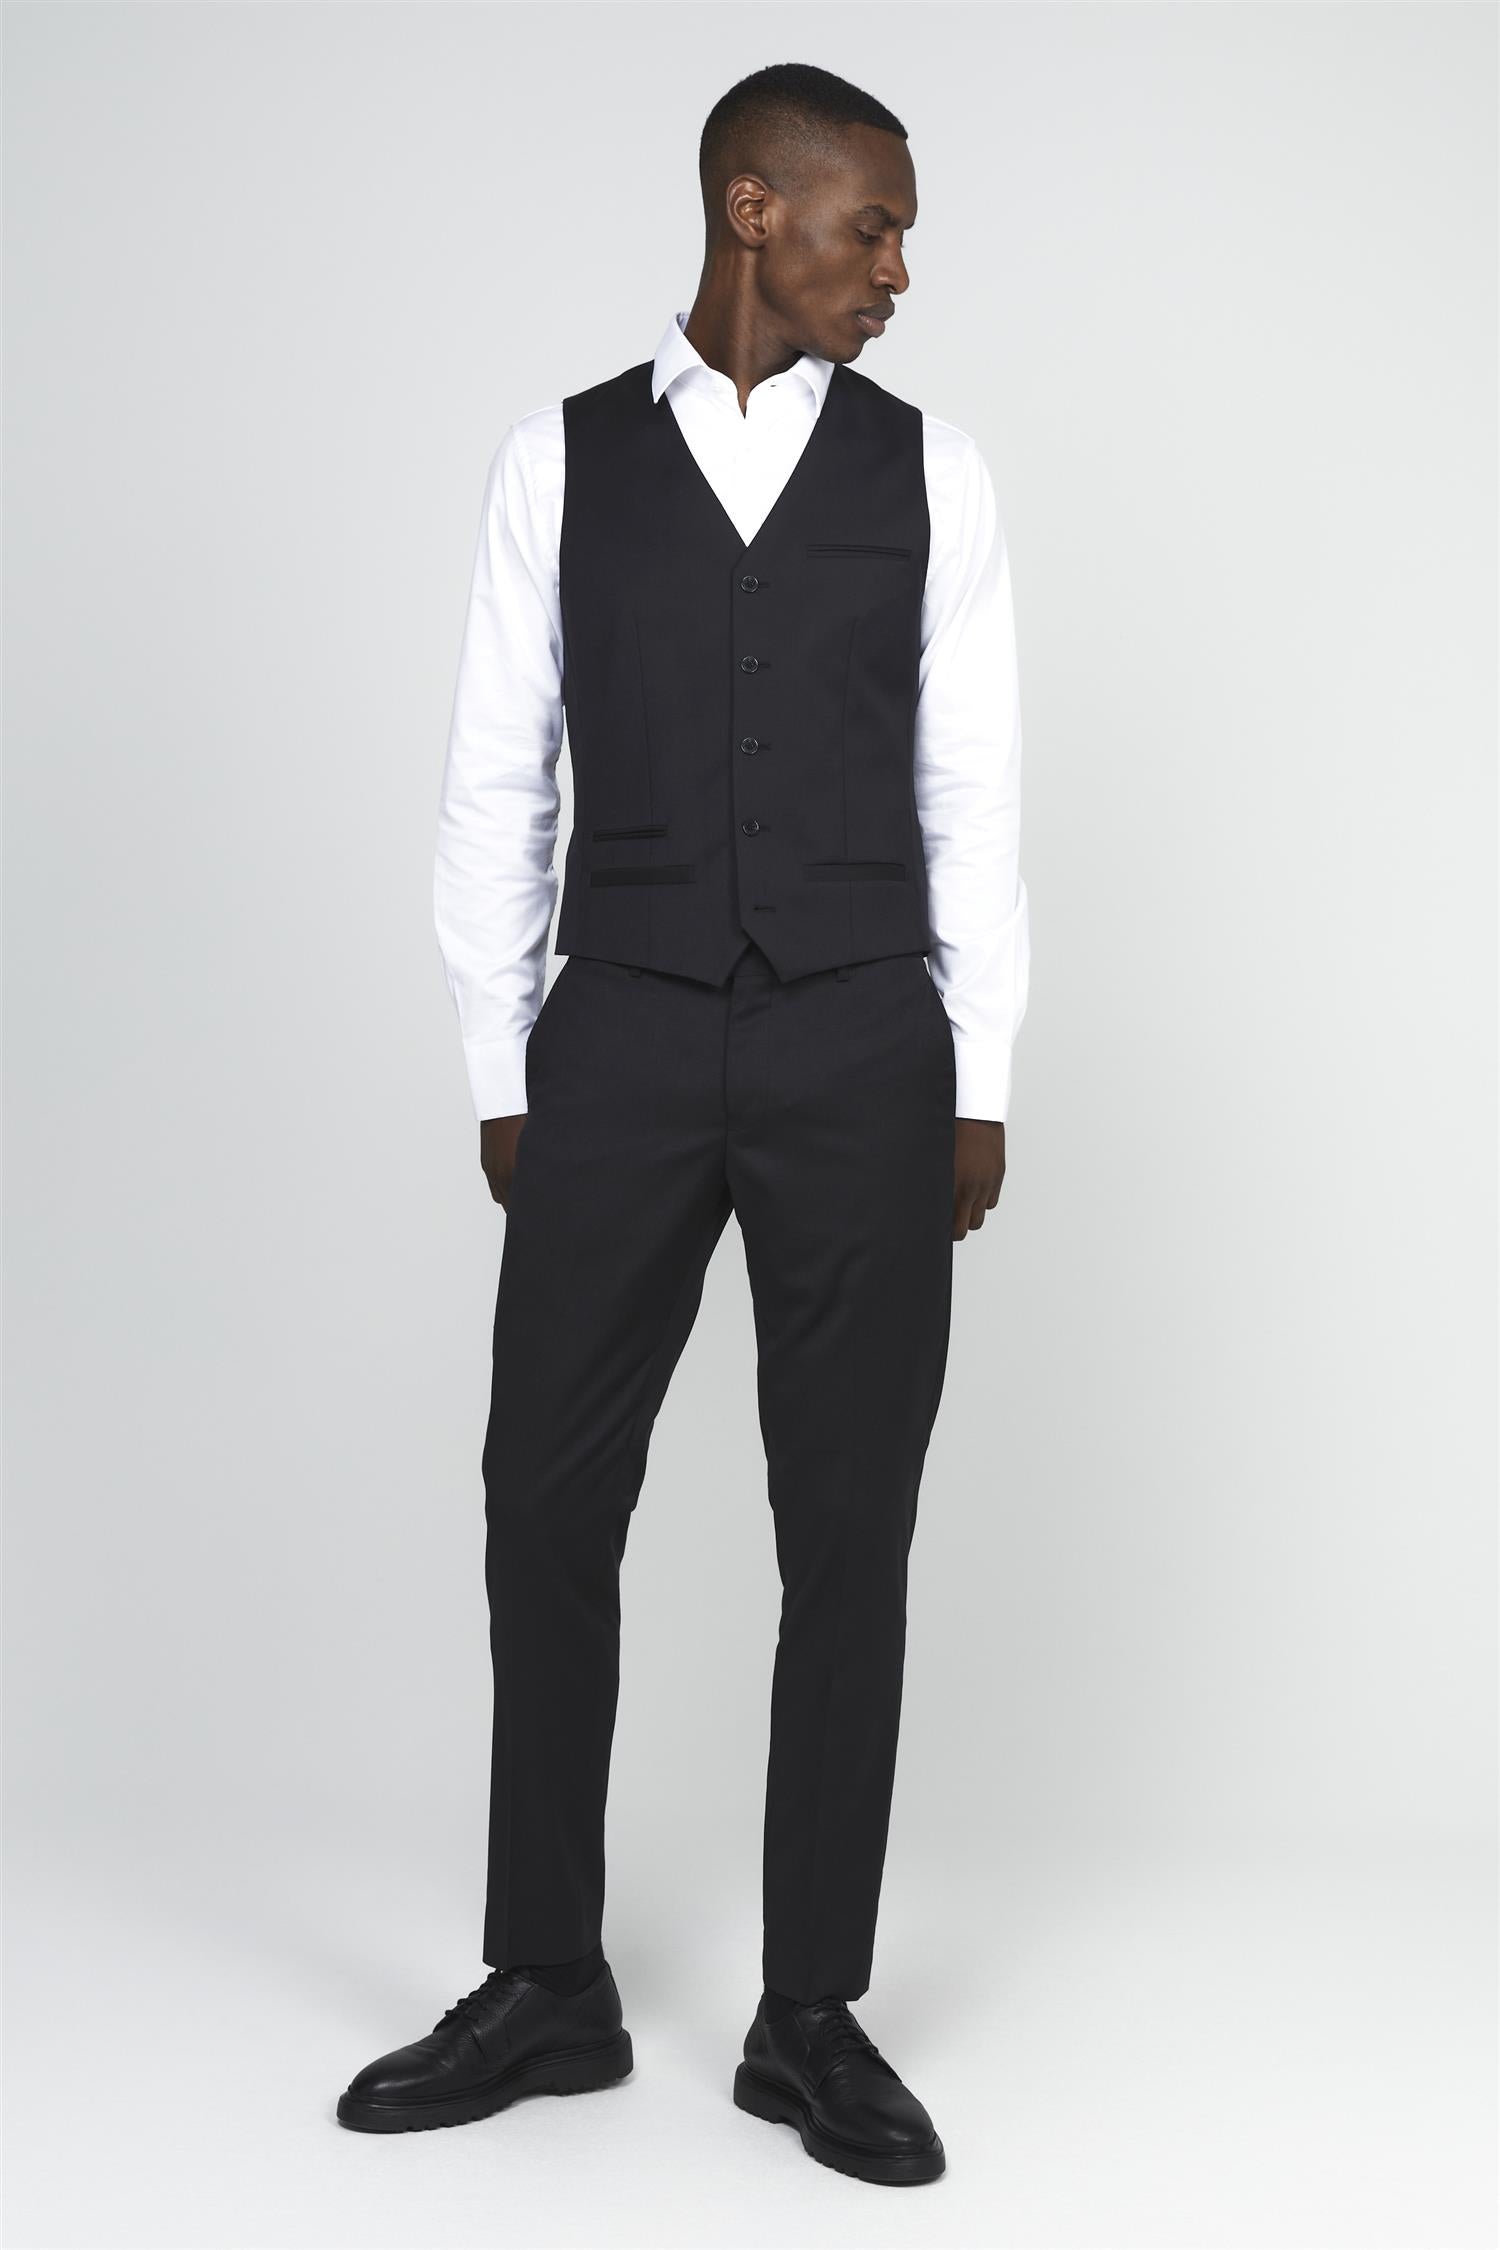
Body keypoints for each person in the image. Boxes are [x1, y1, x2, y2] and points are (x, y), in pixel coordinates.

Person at [337, 60, 1030, 2187]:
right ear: (754, 210)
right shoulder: (557, 460)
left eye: (899, 236)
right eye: (870, 226)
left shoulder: (932, 471)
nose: (895, 269)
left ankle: (810, 2014)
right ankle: (547, 1975)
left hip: (862, 1044)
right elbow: (496, 776)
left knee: (849, 1531)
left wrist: (978, 1076)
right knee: (542, 1502)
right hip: (619, 1038)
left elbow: (972, 791)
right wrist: (504, 1065)